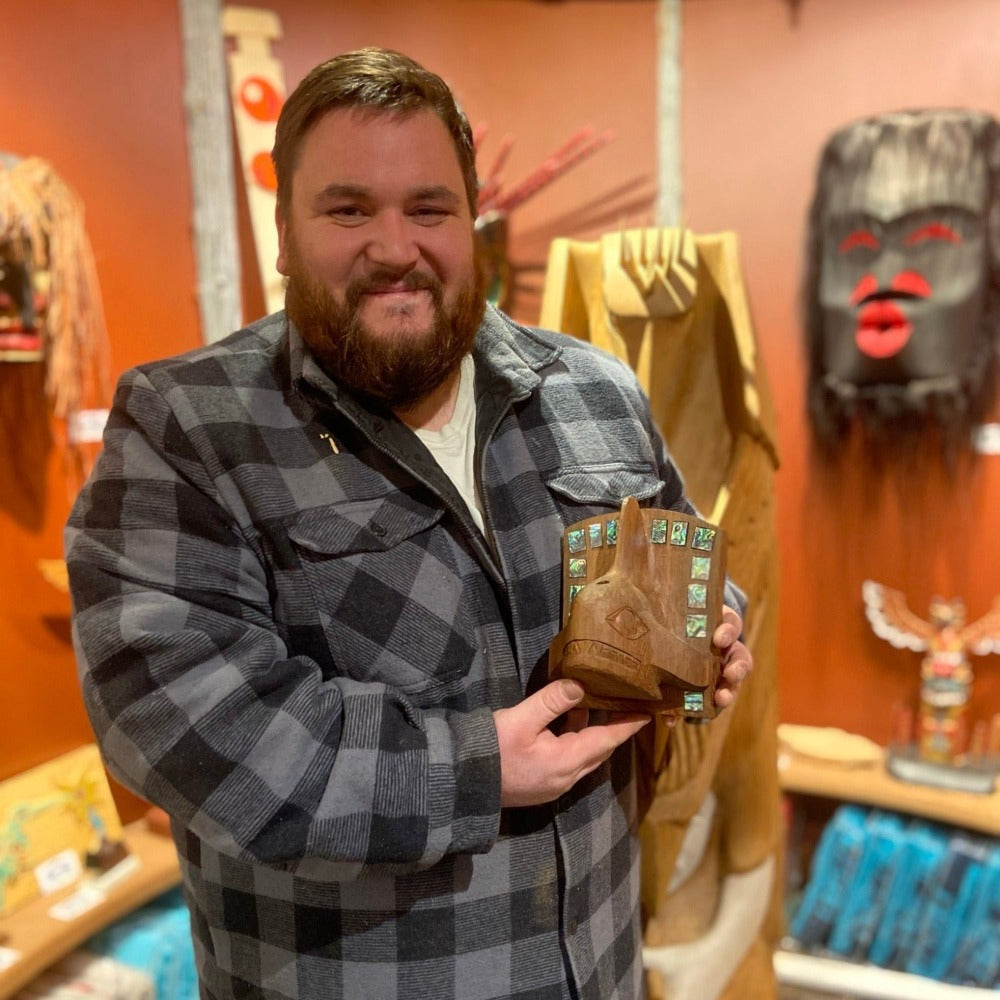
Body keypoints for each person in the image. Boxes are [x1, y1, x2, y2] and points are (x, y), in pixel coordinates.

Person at [65, 47, 752, 1000]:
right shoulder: (188, 427)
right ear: (282, 232)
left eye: (429, 209)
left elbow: (684, 548)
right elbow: (186, 729)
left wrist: (715, 632)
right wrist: (474, 769)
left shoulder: (596, 389)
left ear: (471, 223)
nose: (396, 246)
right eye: (349, 210)